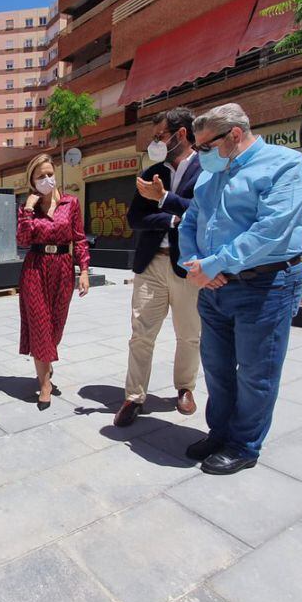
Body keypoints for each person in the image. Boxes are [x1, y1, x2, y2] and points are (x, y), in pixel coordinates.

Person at [179, 103, 302, 475]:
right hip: (213, 287)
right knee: (217, 369)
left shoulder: (285, 165)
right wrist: (194, 264)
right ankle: (220, 432)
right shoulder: (210, 175)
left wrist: (215, 263)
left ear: (234, 135)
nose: (199, 154)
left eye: (205, 146)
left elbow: (271, 230)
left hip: (266, 284)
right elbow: (189, 222)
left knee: (256, 372)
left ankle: (244, 445)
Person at [114, 108, 202, 427]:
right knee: (141, 334)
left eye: (160, 136)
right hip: (151, 263)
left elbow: (204, 213)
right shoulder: (154, 171)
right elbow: (136, 219)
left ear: (181, 134)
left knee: (189, 334)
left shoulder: (207, 170)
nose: (156, 142)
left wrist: (164, 199)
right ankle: (134, 396)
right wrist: (174, 219)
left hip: (189, 266)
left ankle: (185, 388)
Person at [17, 153, 91, 410]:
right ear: (32, 181)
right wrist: (28, 209)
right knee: (39, 326)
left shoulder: (70, 203)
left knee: (55, 327)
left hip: (62, 268)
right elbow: (23, 239)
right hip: (35, 268)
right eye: (41, 176)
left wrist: (83, 271)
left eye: (50, 174)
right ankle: (44, 384)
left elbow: (80, 238)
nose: (47, 179)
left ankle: (45, 364)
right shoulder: (28, 208)